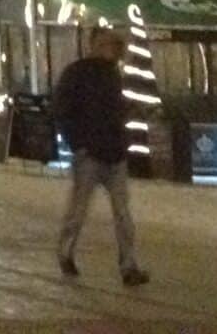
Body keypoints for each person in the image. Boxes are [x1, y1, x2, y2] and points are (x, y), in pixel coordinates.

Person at [52, 27, 146, 287]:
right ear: (92, 44)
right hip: (90, 154)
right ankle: (65, 252)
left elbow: (114, 110)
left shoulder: (113, 73)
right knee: (79, 210)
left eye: (112, 45)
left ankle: (129, 266)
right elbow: (61, 109)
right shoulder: (77, 73)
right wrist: (77, 144)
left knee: (123, 213)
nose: (109, 49)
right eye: (104, 43)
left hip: (114, 153)